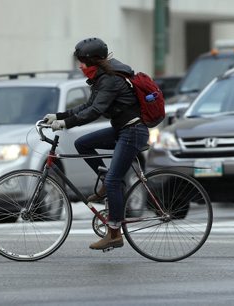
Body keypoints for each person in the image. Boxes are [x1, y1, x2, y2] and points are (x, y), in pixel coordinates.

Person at [43, 37, 149, 250]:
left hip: (133, 131)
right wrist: (59, 115)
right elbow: (88, 105)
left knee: (113, 181)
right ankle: (108, 183)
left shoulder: (111, 80)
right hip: (123, 129)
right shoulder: (101, 78)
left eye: (82, 61)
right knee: (83, 144)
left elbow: (95, 111)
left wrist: (66, 123)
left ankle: (114, 233)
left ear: (93, 61)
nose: (80, 66)